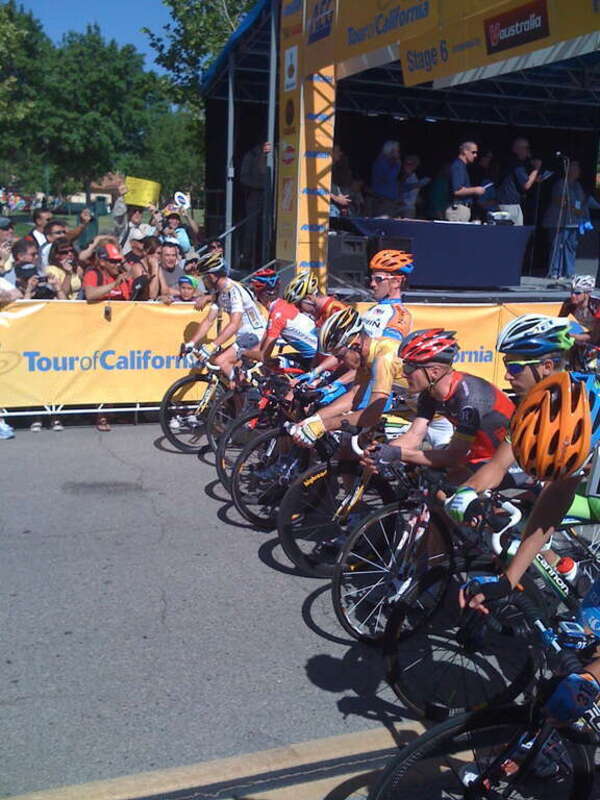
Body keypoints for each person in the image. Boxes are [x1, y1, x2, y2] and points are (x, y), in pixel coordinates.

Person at [447, 315, 599, 578]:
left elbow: (557, 493)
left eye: (515, 367)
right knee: (527, 509)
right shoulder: (529, 411)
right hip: (581, 492)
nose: (507, 375)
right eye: (506, 365)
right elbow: (498, 464)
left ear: (546, 366)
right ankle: (564, 571)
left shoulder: (586, 404)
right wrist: (467, 490)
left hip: (587, 495)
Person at [362, 329, 515, 479]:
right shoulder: (430, 393)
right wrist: (380, 452)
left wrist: (397, 453)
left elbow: (453, 457)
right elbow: (414, 435)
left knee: (444, 486)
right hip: (480, 454)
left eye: (409, 368)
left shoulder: (469, 400)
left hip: (510, 458)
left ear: (434, 372)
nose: (403, 374)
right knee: (421, 478)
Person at [182, 251, 268, 381]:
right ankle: (241, 389)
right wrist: (191, 343)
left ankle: (242, 387)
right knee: (217, 362)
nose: (203, 282)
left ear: (211, 276)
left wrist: (212, 346)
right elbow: (208, 321)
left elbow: (234, 324)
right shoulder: (219, 293)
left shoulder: (233, 290)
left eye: (204, 278)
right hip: (245, 336)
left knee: (221, 361)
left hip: (255, 334)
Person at [250, 269, 318, 367]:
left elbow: (263, 356)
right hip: (316, 355)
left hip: (316, 360)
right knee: (275, 362)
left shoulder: (277, 315)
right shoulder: (280, 306)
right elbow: (261, 345)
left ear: (258, 294)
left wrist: (240, 352)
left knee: (272, 366)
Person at [544, 160, 591, 280]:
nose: (578, 171)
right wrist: (571, 206)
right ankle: (555, 271)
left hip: (573, 221)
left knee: (571, 246)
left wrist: (580, 210)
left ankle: (569, 272)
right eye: (575, 168)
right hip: (559, 221)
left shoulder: (578, 186)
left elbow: (581, 201)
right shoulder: (561, 184)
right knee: (558, 246)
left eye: (578, 168)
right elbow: (558, 200)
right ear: (569, 170)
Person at [361, 250, 413, 342]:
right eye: (371, 279)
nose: (372, 284)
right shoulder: (372, 309)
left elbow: (386, 347)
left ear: (396, 282)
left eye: (378, 279)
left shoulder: (400, 315)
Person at [496, 137, 542, 226]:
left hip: (514, 204)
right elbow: (526, 185)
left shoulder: (520, 164)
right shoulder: (516, 164)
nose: (527, 151)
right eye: (525, 148)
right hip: (509, 205)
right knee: (512, 232)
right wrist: (536, 169)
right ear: (516, 149)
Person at [239, 141, 272, 266]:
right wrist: (260, 185)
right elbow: (243, 178)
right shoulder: (251, 156)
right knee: (252, 228)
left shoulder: (276, 154)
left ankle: (268, 255)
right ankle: (248, 259)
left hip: (273, 198)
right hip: (254, 197)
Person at [445, 142, 486, 222]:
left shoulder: (462, 166)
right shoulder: (458, 166)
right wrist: (475, 190)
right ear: (465, 151)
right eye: (473, 152)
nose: (475, 155)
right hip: (457, 210)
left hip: (462, 209)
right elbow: (457, 190)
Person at [558, 275, 600, 346]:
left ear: (586, 293)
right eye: (571, 292)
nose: (573, 295)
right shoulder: (569, 304)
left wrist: (576, 337)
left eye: (577, 293)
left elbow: (594, 338)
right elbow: (559, 324)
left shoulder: (596, 307)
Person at [370, 140, 402, 217]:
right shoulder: (382, 162)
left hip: (389, 200)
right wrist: (397, 165)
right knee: (382, 221)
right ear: (390, 150)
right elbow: (389, 179)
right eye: (397, 151)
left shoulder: (389, 163)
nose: (398, 153)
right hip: (383, 199)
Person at [397, 155, 430, 219]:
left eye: (410, 164)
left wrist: (402, 202)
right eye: (406, 163)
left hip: (407, 210)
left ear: (415, 166)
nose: (407, 166)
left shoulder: (414, 180)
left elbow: (412, 199)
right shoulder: (399, 176)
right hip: (396, 208)